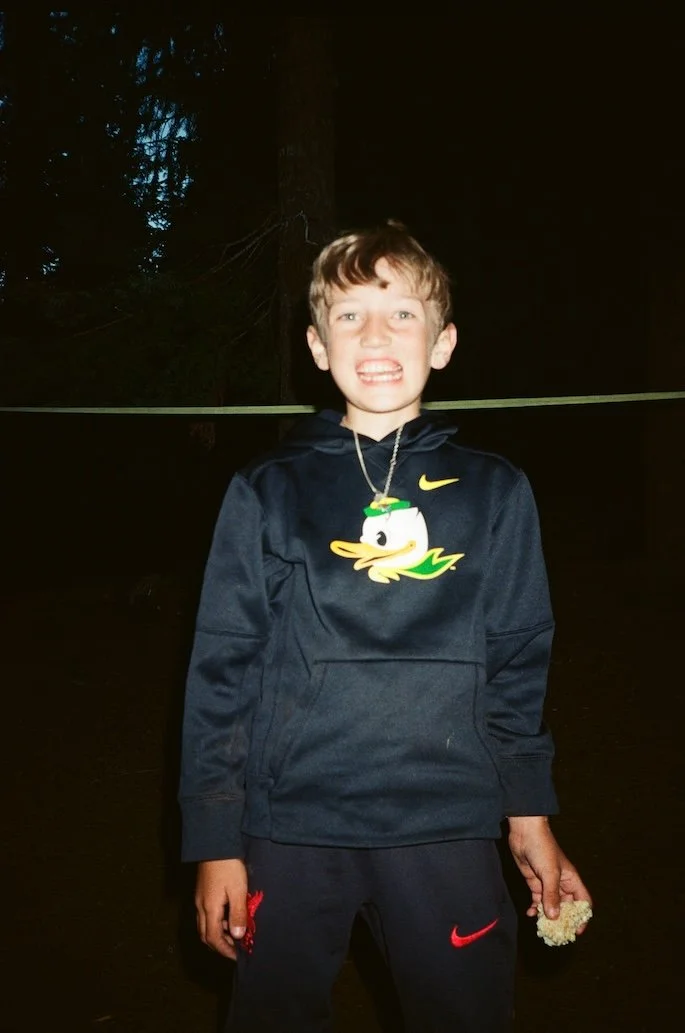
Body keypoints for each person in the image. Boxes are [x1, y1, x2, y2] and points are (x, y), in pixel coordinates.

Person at [179, 220, 592, 1032]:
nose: (374, 333)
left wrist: (529, 814)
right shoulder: (266, 490)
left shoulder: (496, 491)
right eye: (348, 315)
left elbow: (517, 660)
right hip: (289, 826)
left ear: (442, 343)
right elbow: (222, 667)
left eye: (401, 313)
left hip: (443, 825)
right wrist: (213, 838)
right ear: (316, 345)